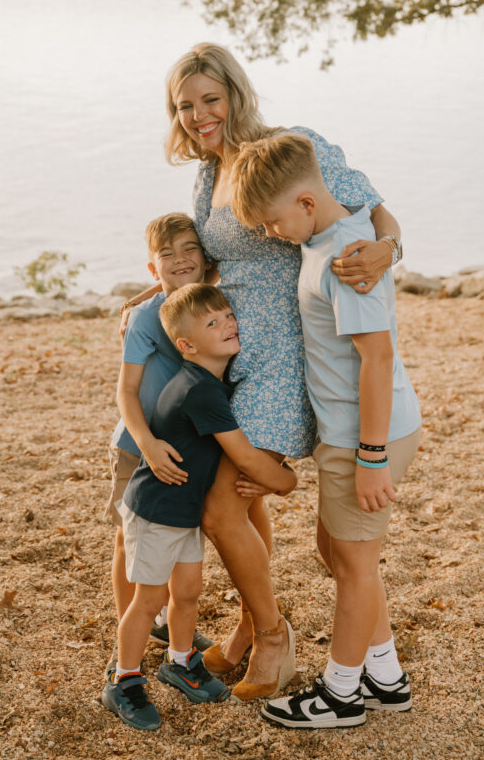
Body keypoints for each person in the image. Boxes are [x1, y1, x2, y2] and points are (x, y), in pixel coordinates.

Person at [122, 42, 402, 701]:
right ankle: (251, 631)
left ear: (234, 95)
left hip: (283, 352)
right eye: (184, 106)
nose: (197, 115)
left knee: (223, 509)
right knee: (241, 501)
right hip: (226, 350)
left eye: (209, 100)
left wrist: (388, 250)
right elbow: (210, 262)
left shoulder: (290, 147)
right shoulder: (204, 176)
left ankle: (273, 637)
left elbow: (371, 207)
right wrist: (163, 294)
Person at [230, 132, 421, 729]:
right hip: (349, 433)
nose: (269, 234)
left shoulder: (346, 258)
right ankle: (385, 677)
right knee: (336, 550)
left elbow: (378, 360)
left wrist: (370, 456)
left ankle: (340, 696)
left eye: (271, 222)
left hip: (368, 436)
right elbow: (377, 211)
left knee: (356, 563)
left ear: (308, 203)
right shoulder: (329, 235)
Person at [102, 283, 297, 731]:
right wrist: (286, 483)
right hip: (157, 509)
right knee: (149, 598)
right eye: (214, 322)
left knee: (188, 589)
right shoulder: (199, 391)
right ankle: (123, 679)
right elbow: (246, 457)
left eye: (228, 314)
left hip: (183, 508)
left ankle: (180, 660)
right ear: (186, 345)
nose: (229, 323)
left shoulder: (209, 381)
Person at [106, 213, 213, 674]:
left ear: (206, 258)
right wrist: (147, 442)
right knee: (128, 541)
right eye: (166, 255)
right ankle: (127, 626)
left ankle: (168, 623)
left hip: (186, 447)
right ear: (153, 268)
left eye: (189, 249)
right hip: (138, 443)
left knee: (174, 538)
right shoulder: (147, 319)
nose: (180, 260)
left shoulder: (211, 308)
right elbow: (126, 391)